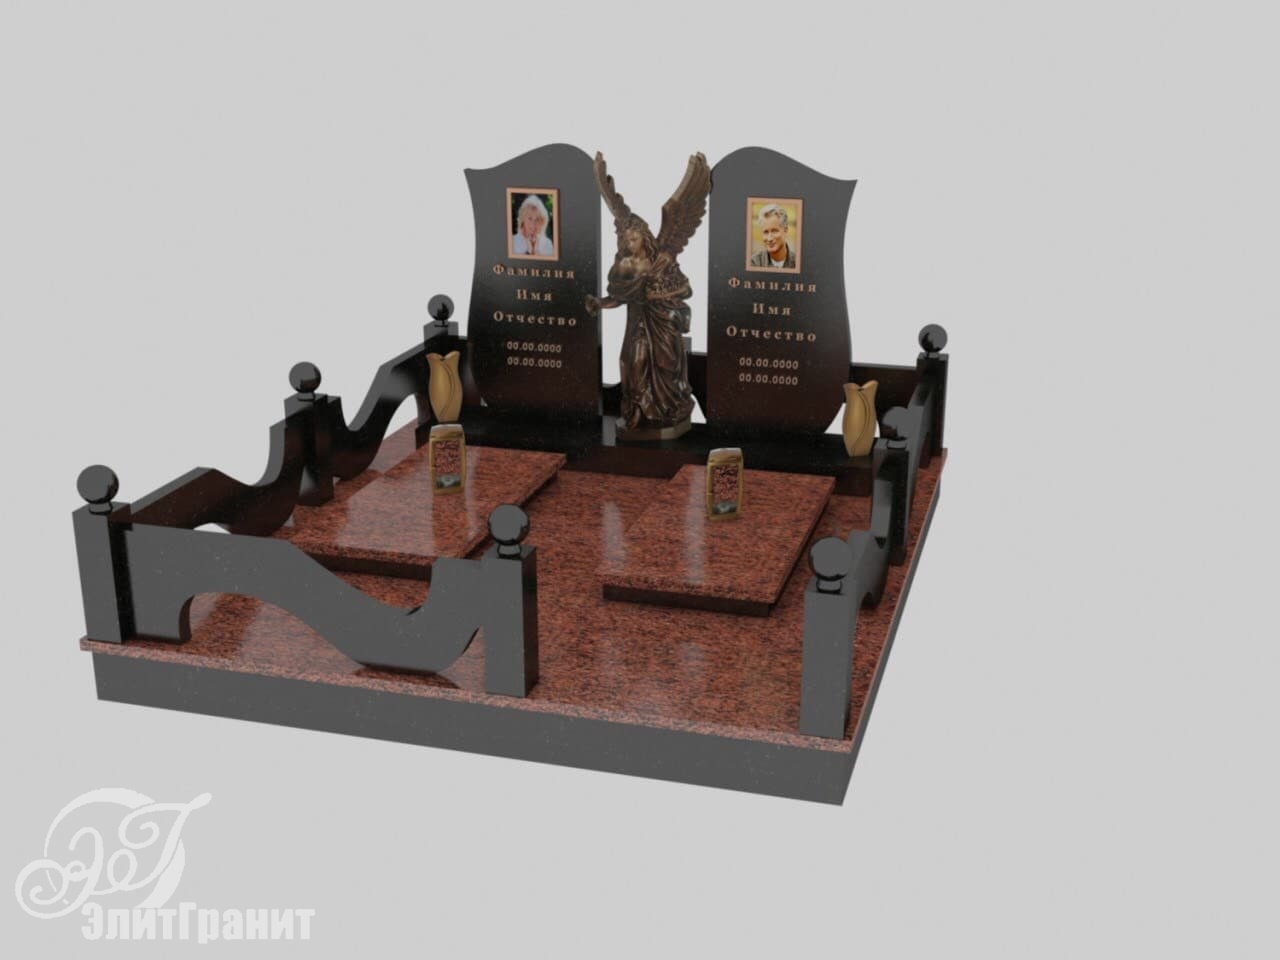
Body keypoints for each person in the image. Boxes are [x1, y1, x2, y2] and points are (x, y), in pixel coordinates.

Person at [749, 203, 797, 269]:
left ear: (785, 230)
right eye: (766, 232)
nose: (769, 238)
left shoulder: (798, 262)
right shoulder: (753, 263)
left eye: (774, 231)